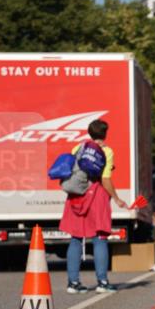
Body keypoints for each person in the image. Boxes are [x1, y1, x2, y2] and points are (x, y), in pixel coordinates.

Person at [61, 120, 127, 293]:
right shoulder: (106, 151)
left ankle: (73, 283)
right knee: (100, 238)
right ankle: (102, 282)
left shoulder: (78, 148)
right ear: (105, 133)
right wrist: (117, 198)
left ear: (90, 133)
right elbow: (105, 179)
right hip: (96, 195)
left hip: (76, 196)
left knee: (75, 239)